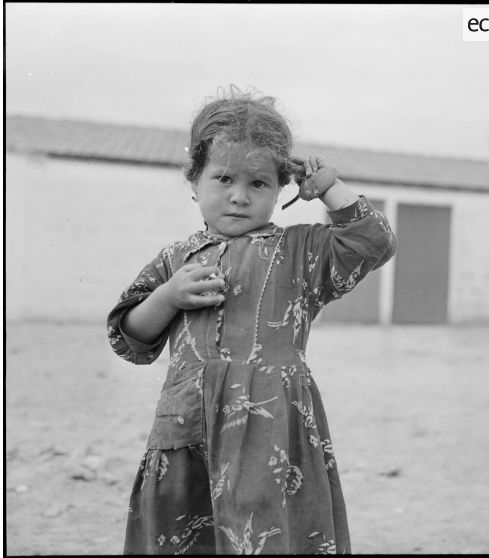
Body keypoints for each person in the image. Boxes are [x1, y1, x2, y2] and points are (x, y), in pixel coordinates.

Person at [107, 86, 396, 555]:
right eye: (223, 179)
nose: (239, 196)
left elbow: (372, 241)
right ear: (194, 181)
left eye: (258, 183)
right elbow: (129, 339)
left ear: (281, 187)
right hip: (185, 425)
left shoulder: (303, 252)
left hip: (270, 430)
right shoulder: (174, 260)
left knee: (266, 534)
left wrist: (327, 186)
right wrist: (168, 295)